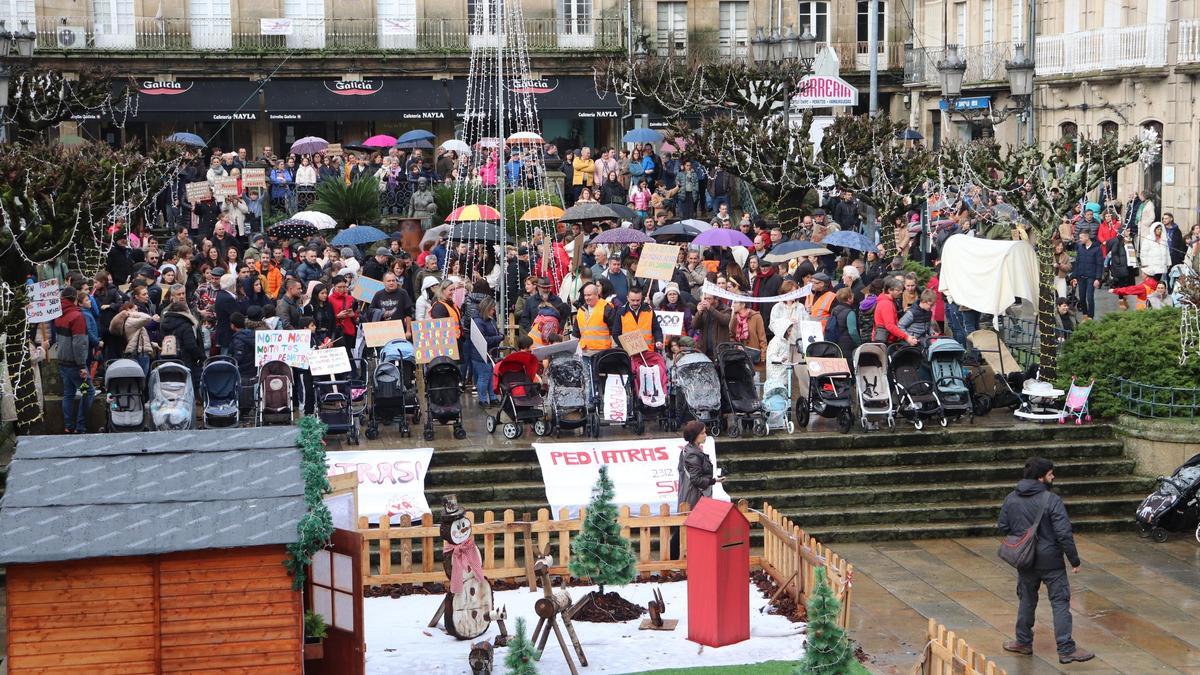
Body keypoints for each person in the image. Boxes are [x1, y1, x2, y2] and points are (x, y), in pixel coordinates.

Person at [998, 458, 1094, 665]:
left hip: (1025, 560)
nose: (1053, 477)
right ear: (1040, 478)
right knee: (1059, 603)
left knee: (1026, 601)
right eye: (1050, 474)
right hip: (1052, 562)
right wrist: (1074, 560)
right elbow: (1064, 533)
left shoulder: (1011, 498)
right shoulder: (1051, 500)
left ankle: (1023, 642)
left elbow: (1003, 526)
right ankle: (1066, 649)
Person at [54, 286, 93, 433]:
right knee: (87, 391)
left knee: (69, 393)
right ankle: (80, 426)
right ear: (75, 299)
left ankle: (68, 426)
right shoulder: (77, 317)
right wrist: (82, 366)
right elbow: (79, 343)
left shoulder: (59, 314)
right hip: (76, 366)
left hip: (63, 363)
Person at [677, 420, 723, 510]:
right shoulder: (692, 454)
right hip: (695, 498)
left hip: (691, 495)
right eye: (702, 433)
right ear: (694, 436)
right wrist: (713, 481)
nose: (705, 435)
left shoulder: (690, 449)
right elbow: (696, 479)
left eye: (705, 432)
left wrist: (715, 480)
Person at [469, 297, 503, 407]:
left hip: (490, 353)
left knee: (490, 377)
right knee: (483, 377)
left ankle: (492, 398)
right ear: (487, 308)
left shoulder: (489, 319)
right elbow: (484, 340)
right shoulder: (478, 322)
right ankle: (482, 399)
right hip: (480, 354)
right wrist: (499, 338)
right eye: (492, 309)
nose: (494, 311)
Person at [614, 286, 663, 352]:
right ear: (627, 298)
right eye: (633, 300)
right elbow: (616, 334)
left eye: (638, 300)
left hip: (648, 352)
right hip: (629, 353)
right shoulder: (621, 313)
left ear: (641, 298)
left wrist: (659, 340)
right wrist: (625, 347)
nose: (635, 303)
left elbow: (656, 328)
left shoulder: (649, 311)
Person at [874, 277, 919, 345]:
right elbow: (890, 325)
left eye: (901, 290)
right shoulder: (886, 304)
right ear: (889, 290)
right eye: (898, 290)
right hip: (887, 340)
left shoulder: (887, 301)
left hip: (886, 338)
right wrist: (906, 337)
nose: (901, 292)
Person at [1071, 229, 1104, 320]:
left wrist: (1098, 278)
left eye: (1081, 237)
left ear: (1087, 237)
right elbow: (1077, 263)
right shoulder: (1080, 248)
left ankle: (1090, 316)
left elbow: (1099, 265)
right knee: (1082, 298)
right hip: (1081, 276)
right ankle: (1085, 315)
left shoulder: (1097, 249)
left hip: (1091, 277)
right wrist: (1074, 277)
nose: (1079, 239)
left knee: (1089, 297)